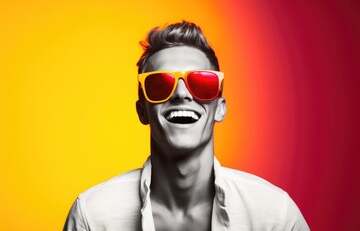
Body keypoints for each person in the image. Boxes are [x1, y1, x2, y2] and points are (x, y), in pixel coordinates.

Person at [63, 21, 309, 231]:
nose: (181, 93)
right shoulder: (93, 217)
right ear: (142, 111)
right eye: (160, 84)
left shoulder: (275, 215)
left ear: (220, 108)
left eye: (201, 83)